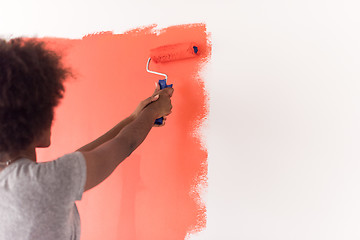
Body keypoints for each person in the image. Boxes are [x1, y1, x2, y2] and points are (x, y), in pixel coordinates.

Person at [0, 38, 173, 240]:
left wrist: (133, 119)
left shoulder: (18, 179)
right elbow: (124, 144)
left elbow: (81, 157)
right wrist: (153, 111)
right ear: (33, 122)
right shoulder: (43, 183)